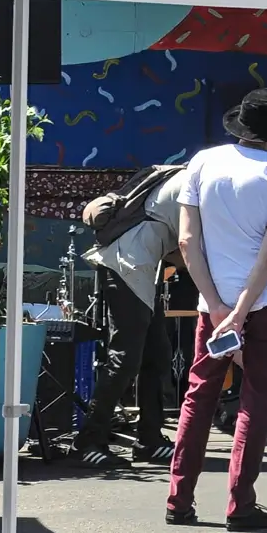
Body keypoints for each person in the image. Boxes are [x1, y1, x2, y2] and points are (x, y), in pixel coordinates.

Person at [167, 89, 267, 531]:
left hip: (212, 303)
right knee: (255, 400)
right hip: (264, 304)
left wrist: (218, 304)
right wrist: (241, 312)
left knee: (197, 397)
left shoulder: (203, 162)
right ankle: (240, 506)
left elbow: (187, 242)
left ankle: (178, 501)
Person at [79, 163, 189, 468]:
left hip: (136, 266)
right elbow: (186, 249)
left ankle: (149, 442)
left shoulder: (187, 178)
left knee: (157, 354)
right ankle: (89, 440)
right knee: (125, 357)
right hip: (127, 266)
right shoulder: (196, 187)